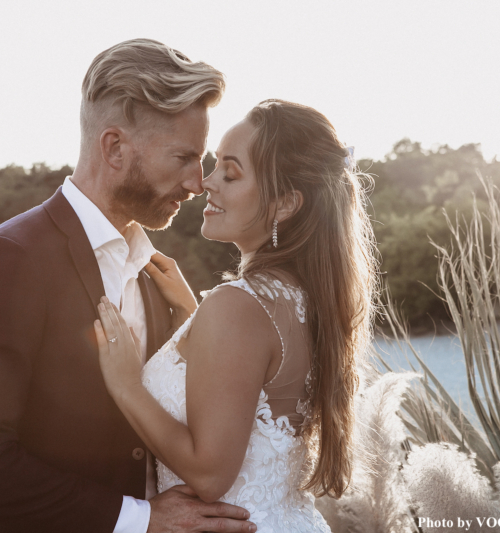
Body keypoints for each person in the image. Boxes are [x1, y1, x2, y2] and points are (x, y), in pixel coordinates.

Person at [0, 39, 256, 533]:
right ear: (115, 148)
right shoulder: (5, 262)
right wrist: (139, 520)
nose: (197, 182)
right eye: (184, 158)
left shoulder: (156, 275)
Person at [95, 99, 378, 532]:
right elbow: (249, 383)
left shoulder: (238, 306)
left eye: (231, 172)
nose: (207, 182)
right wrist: (193, 319)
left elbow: (210, 476)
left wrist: (127, 385)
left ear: (285, 204)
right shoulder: (305, 298)